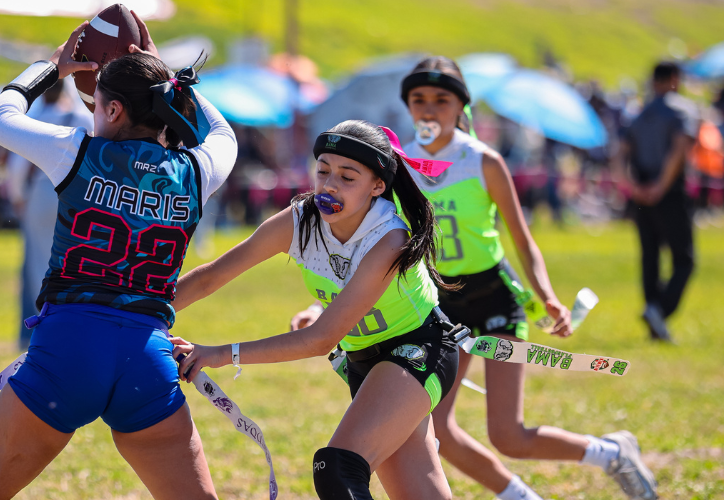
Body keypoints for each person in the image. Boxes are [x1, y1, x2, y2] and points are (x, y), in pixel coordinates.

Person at [0, 15, 237, 499]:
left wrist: (52, 67)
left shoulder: (77, 152)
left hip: (68, 350)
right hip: (148, 358)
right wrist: (164, 75)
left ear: (114, 109)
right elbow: (222, 133)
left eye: (98, 103)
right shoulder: (196, 169)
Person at [376, 56, 652, 500]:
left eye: (441, 99)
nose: (429, 109)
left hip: (495, 299)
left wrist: (547, 295)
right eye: (419, 99)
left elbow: (522, 240)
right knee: (437, 429)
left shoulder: (482, 160)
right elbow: (380, 243)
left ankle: (612, 453)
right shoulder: (399, 165)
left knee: (508, 435)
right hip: (442, 308)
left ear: (461, 106)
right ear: (407, 105)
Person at [173, 120, 461, 500]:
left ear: (378, 186)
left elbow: (321, 340)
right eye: (323, 171)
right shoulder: (299, 221)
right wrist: (141, 313)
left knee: (337, 468)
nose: (329, 186)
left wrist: (219, 354)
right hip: (363, 363)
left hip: (418, 351)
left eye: (347, 177)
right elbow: (211, 277)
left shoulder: (389, 238)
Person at [4, 79, 92, 350]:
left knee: (38, 264)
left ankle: (41, 327)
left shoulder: (35, 119)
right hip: (78, 195)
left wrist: (18, 198)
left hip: (41, 192)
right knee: (77, 260)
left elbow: (17, 166)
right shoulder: (81, 117)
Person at [615, 61, 698, 342]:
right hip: (669, 190)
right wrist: (661, 185)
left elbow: (620, 154)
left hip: (641, 192)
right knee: (684, 259)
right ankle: (659, 310)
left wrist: (632, 187)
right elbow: (679, 148)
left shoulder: (638, 113)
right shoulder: (681, 109)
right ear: (674, 78)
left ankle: (654, 317)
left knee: (650, 255)